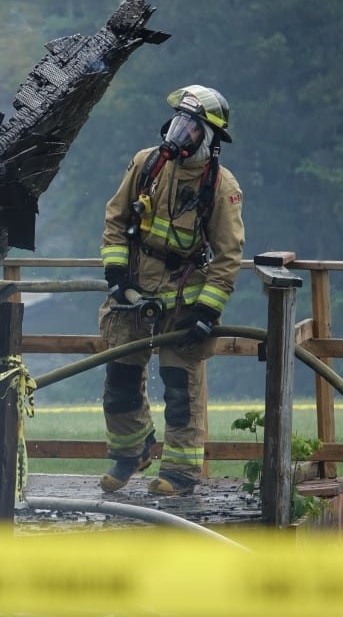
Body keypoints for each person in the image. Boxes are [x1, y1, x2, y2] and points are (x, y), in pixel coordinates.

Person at [97, 84, 244, 496]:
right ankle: (132, 451)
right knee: (119, 380)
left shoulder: (220, 185)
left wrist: (207, 313)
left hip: (184, 298)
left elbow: (228, 255)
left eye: (192, 128)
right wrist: (118, 278)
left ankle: (179, 473)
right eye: (179, 123)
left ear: (210, 138)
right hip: (135, 292)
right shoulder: (147, 164)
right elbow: (115, 219)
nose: (181, 134)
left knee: (180, 389)